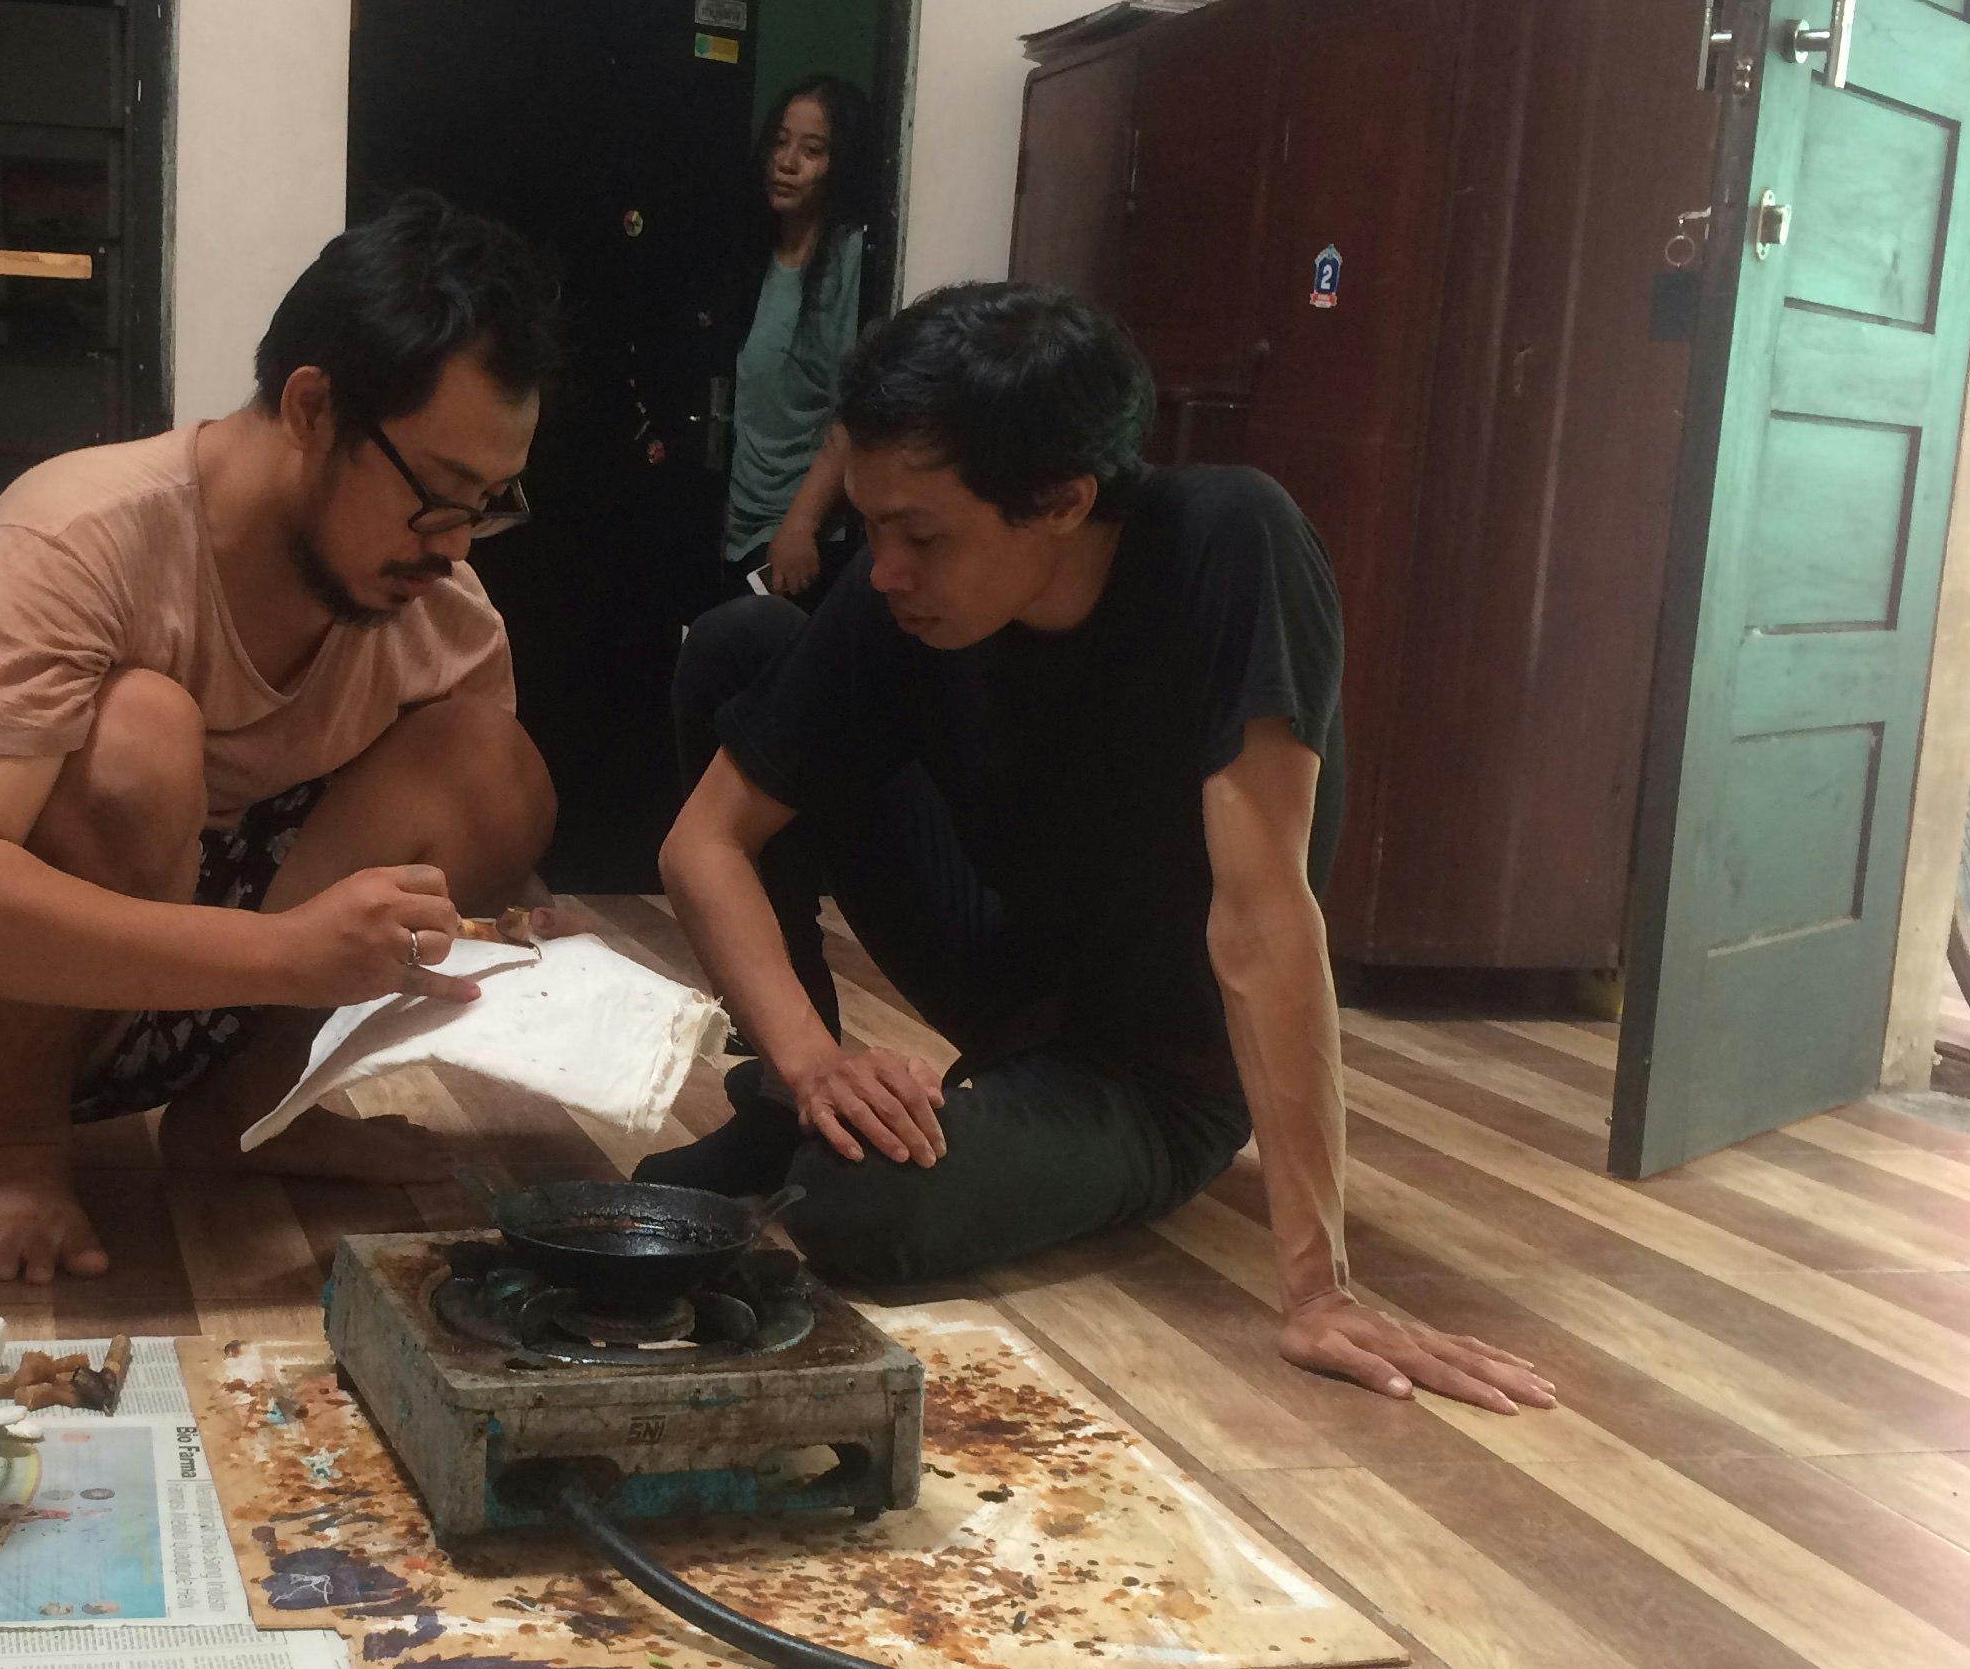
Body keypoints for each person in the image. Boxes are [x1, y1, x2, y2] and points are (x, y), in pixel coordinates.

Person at [641, 284, 1553, 1416]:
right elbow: (705, 843)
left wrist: (1322, 1289)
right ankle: (798, 1114)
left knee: (853, 1207)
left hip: (1152, 1072)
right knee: (741, 646)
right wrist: (809, 1062)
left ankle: (857, 1144)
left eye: (922, 535)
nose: (882, 569)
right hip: (1009, 956)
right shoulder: (900, 600)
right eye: (869, 528)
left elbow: (1264, 922)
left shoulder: (1229, 544)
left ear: (1065, 500)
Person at [0, 193, 562, 1284]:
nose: (458, 541)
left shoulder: (441, 610)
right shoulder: (82, 534)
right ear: (311, 410)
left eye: (492, 498)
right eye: (437, 492)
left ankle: (245, 1114)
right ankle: (19, 1144)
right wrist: (291, 956)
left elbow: (452, 843)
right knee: (139, 736)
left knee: (488, 764)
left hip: (172, 987)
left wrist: (496, 933)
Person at [719, 75, 881, 603]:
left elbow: (853, 413)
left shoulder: (846, 261)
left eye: (812, 150)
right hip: (740, 529)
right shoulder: (756, 252)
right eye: (780, 142)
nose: (786, 162)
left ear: (841, 165)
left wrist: (800, 527)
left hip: (796, 543)